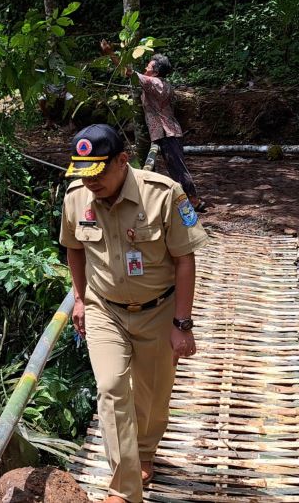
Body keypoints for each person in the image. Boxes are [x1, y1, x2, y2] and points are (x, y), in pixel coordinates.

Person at [59, 124, 206, 503]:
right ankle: (125, 490)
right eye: (84, 175)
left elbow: (184, 259)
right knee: (111, 389)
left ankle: (144, 451)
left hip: (158, 310)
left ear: (122, 161)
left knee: (153, 396)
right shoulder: (77, 196)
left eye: (98, 173)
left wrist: (182, 324)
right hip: (104, 309)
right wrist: (79, 298)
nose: (91, 183)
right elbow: (74, 247)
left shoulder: (163, 195)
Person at [109, 43, 201, 209]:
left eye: (148, 66)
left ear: (156, 72)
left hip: (166, 132)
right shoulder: (160, 84)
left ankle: (193, 201)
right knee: (170, 167)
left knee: (177, 168)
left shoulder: (154, 83)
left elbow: (127, 72)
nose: (145, 68)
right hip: (163, 131)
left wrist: (110, 52)